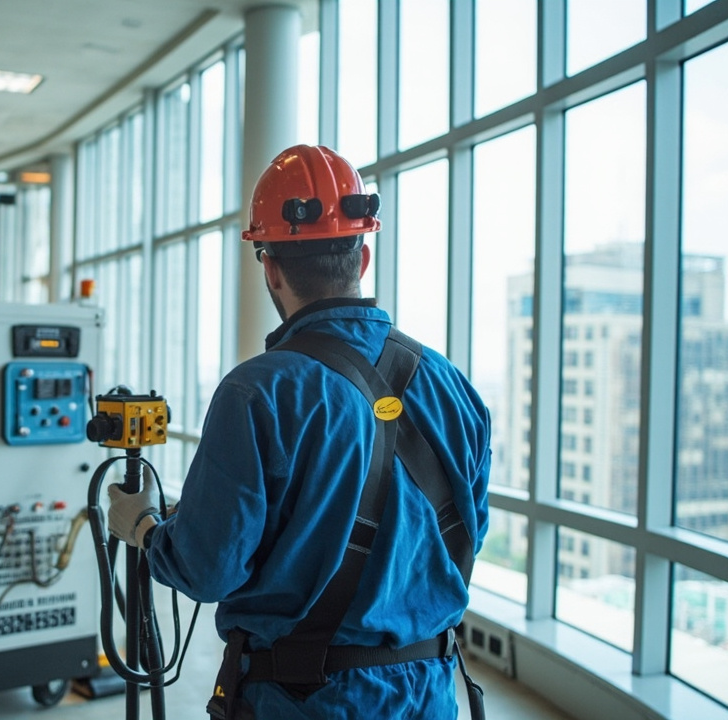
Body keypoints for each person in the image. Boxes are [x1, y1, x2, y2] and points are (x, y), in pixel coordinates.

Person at [107, 145, 492, 719]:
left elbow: (207, 568)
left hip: (304, 699)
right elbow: (464, 535)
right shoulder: (453, 387)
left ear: (270, 266)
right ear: (361, 258)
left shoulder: (256, 392)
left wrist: (140, 526)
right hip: (429, 693)